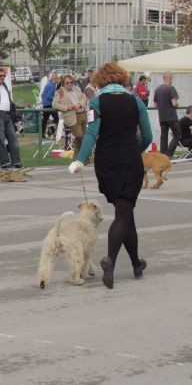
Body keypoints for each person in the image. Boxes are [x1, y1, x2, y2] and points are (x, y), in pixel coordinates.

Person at [69, 62, 152, 289]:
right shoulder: (136, 101)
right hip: (129, 159)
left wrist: (80, 159)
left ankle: (136, 263)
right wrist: (137, 148)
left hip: (106, 162)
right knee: (124, 212)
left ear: (100, 81)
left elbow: (92, 132)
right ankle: (111, 260)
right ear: (123, 79)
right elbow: (147, 135)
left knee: (125, 211)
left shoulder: (96, 102)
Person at [52, 74, 88, 152]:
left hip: (82, 115)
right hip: (72, 117)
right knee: (79, 136)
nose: (69, 84)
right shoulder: (60, 91)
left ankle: (80, 156)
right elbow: (55, 104)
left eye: (71, 82)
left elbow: (84, 97)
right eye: (67, 82)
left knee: (84, 137)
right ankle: (80, 154)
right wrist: (67, 107)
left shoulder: (76, 89)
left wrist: (80, 104)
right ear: (63, 83)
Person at [153, 72, 180, 157]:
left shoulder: (157, 89)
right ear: (170, 79)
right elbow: (174, 103)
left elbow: (155, 105)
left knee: (163, 137)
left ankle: (162, 155)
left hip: (162, 117)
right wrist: (177, 105)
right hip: (171, 116)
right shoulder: (171, 88)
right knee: (178, 135)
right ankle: (168, 154)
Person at [41, 72, 60, 137]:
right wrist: (56, 99)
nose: (58, 80)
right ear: (54, 79)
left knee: (44, 120)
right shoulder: (52, 86)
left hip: (45, 104)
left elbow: (43, 94)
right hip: (49, 105)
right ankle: (54, 132)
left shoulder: (48, 84)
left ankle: (42, 134)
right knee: (57, 119)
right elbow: (49, 96)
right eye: (57, 79)